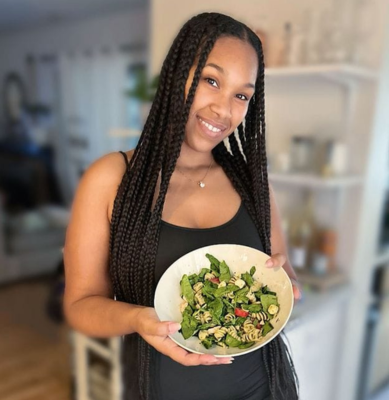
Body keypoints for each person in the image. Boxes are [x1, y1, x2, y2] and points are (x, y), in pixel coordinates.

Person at [63, 11, 302, 400]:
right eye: (211, 80)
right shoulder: (110, 179)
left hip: (265, 387)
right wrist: (138, 319)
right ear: (177, 75)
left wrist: (288, 285)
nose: (224, 111)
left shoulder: (252, 183)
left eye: (241, 95)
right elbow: (79, 305)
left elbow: (283, 268)